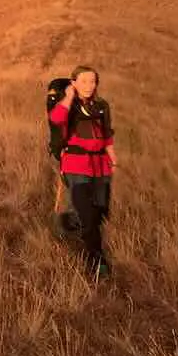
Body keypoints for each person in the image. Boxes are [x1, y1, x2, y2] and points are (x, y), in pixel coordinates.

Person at [48, 65, 117, 279]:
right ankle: (97, 262)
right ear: (74, 82)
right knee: (89, 216)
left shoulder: (101, 105)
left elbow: (106, 134)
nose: (89, 85)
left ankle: (69, 222)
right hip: (76, 165)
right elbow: (56, 119)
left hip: (101, 165)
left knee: (99, 213)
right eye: (84, 81)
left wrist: (113, 156)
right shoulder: (69, 106)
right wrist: (69, 97)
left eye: (93, 81)